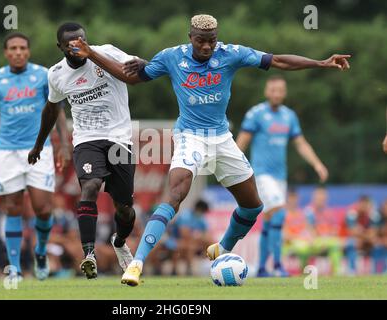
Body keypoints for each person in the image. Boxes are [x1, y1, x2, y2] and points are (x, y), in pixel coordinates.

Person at [70, 14, 351, 286]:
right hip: (191, 137)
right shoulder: (171, 57)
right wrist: (91, 53)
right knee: (176, 194)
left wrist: (321, 63)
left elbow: (277, 60)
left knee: (253, 206)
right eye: (201, 41)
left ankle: (222, 247)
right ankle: (136, 263)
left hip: (221, 138)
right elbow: (131, 76)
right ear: (190, 37)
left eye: (211, 41)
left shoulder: (231, 54)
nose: (206, 47)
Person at [28, 22, 147, 279]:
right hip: (86, 140)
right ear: (60, 46)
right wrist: (39, 144)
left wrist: (158, 64)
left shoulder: (107, 53)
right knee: (90, 186)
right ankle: (89, 254)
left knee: (124, 208)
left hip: (119, 139)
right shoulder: (56, 74)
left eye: (81, 40)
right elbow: (51, 109)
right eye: (71, 43)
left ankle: (119, 242)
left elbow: (141, 69)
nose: (77, 45)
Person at [0, 32, 71, 280]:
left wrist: (63, 143)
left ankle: (40, 250)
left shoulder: (43, 75)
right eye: (12, 48)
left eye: (22, 48)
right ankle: (15, 269)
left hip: (39, 149)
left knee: (42, 209)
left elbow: (58, 111)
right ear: (6, 52)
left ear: (28, 51)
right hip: (7, 151)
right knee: (12, 208)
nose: (17, 52)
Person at [237, 75, 328, 277]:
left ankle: (261, 268)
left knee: (269, 219)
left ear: (284, 93)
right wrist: (231, 167)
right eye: (273, 90)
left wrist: (317, 163)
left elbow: (300, 143)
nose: (277, 94)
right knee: (279, 212)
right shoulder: (256, 114)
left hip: (280, 176)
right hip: (261, 174)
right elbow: (242, 141)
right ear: (266, 92)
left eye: (280, 90)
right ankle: (278, 266)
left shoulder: (289, 116)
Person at [169, 200, 212, 275]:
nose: (203, 214)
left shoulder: (201, 217)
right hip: (175, 239)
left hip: (192, 241)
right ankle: (181, 270)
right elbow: (184, 234)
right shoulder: (185, 215)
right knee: (190, 246)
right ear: (199, 209)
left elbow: (207, 234)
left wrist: (200, 238)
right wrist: (198, 237)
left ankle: (214, 267)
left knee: (211, 243)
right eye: (203, 211)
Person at [345, 195, 382, 274]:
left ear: (369, 205)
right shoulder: (352, 213)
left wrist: (363, 236)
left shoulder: (374, 215)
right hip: (354, 240)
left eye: (366, 205)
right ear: (358, 204)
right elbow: (352, 232)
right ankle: (352, 271)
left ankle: (378, 271)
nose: (364, 207)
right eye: (362, 205)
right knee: (352, 243)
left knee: (377, 244)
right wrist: (366, 235)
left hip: (366, 240)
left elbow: (373, 233)